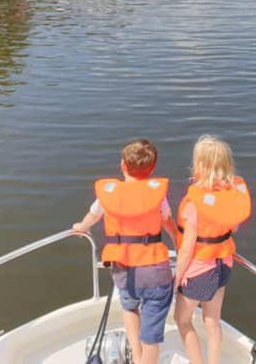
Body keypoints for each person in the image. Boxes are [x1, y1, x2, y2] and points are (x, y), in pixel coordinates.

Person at [73, 139, 178, 364]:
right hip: (155, 270)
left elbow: (92, 216)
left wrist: (81, 227)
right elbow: (169, 224)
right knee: (152, 332)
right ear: (152, 169)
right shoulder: (156, 195)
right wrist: (181, 244)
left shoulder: (108, 194)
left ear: (123, 166)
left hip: (124, 270)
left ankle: (137, 356)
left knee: (129, 308)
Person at [174, 136, 252, 364]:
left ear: (199, 166)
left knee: (182, 320)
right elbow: (234, 225)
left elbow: (187, 249)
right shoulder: (232, 196)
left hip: (199, 270)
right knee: (213, 321)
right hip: (223, 265)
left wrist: (176, 279)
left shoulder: (193, 205)